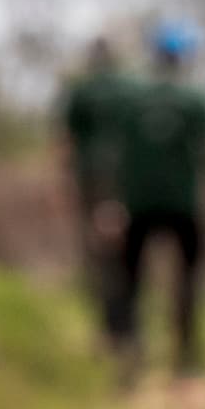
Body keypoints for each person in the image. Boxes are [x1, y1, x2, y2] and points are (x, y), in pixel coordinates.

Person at [102, 19, 205, 409]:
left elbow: (114, 157)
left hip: (136, 206)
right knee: (187, 286)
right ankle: (186, 366)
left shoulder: (130, 101)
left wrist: (111, 202)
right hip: (184, 207)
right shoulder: (197, 101)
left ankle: (131, 364)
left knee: (131, 285)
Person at [55, 33, 134, 333]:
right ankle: (124, 319)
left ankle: (109, 321)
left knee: (97, 251)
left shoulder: (81, 92)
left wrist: (64, 183)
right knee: (124, 250)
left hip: (91, 180)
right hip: (125, 181)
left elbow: (66, 141)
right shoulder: (131, 89)